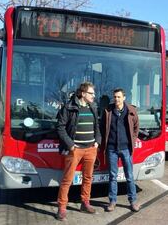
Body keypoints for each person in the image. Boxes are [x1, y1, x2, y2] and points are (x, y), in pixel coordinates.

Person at [55, 82, 101, 221]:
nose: (94, 96)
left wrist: (97, 141)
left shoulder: (93, 107)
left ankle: (85, 203)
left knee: (88, 178)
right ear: (82, 93)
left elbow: (97, 125)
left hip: (91, 149)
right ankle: (62, 208)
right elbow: (60, 127)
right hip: (75, 150)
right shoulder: (69, 107)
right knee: (67, 179)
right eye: (91, 93)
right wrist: (70, 145)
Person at [101, 88, 141, 212]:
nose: (116, 99)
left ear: (124, 98)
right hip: (112, 149)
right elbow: (102, 127)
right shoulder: (108, 111)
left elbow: (136, 127)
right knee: (112, 176)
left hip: (126, 149)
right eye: (115, 97)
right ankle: (112, 201)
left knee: (129, 176)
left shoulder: (131, 111)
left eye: (119, 97)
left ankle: (133, 201)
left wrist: (132, 140)